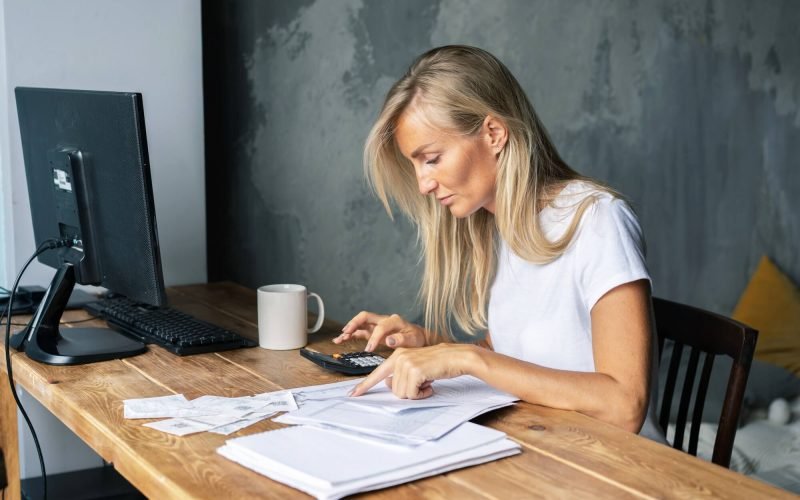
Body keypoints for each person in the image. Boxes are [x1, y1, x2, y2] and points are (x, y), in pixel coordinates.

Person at [332, 45, 664, 441]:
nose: (422, 184)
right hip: (543, 449)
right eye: (414, 165)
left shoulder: (597, 220)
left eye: (432, 158)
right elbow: (519, 355)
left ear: (493, 133)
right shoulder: (497, 226)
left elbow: (625, 407)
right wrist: (432, 346)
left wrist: (466, 357)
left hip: (618, 469)